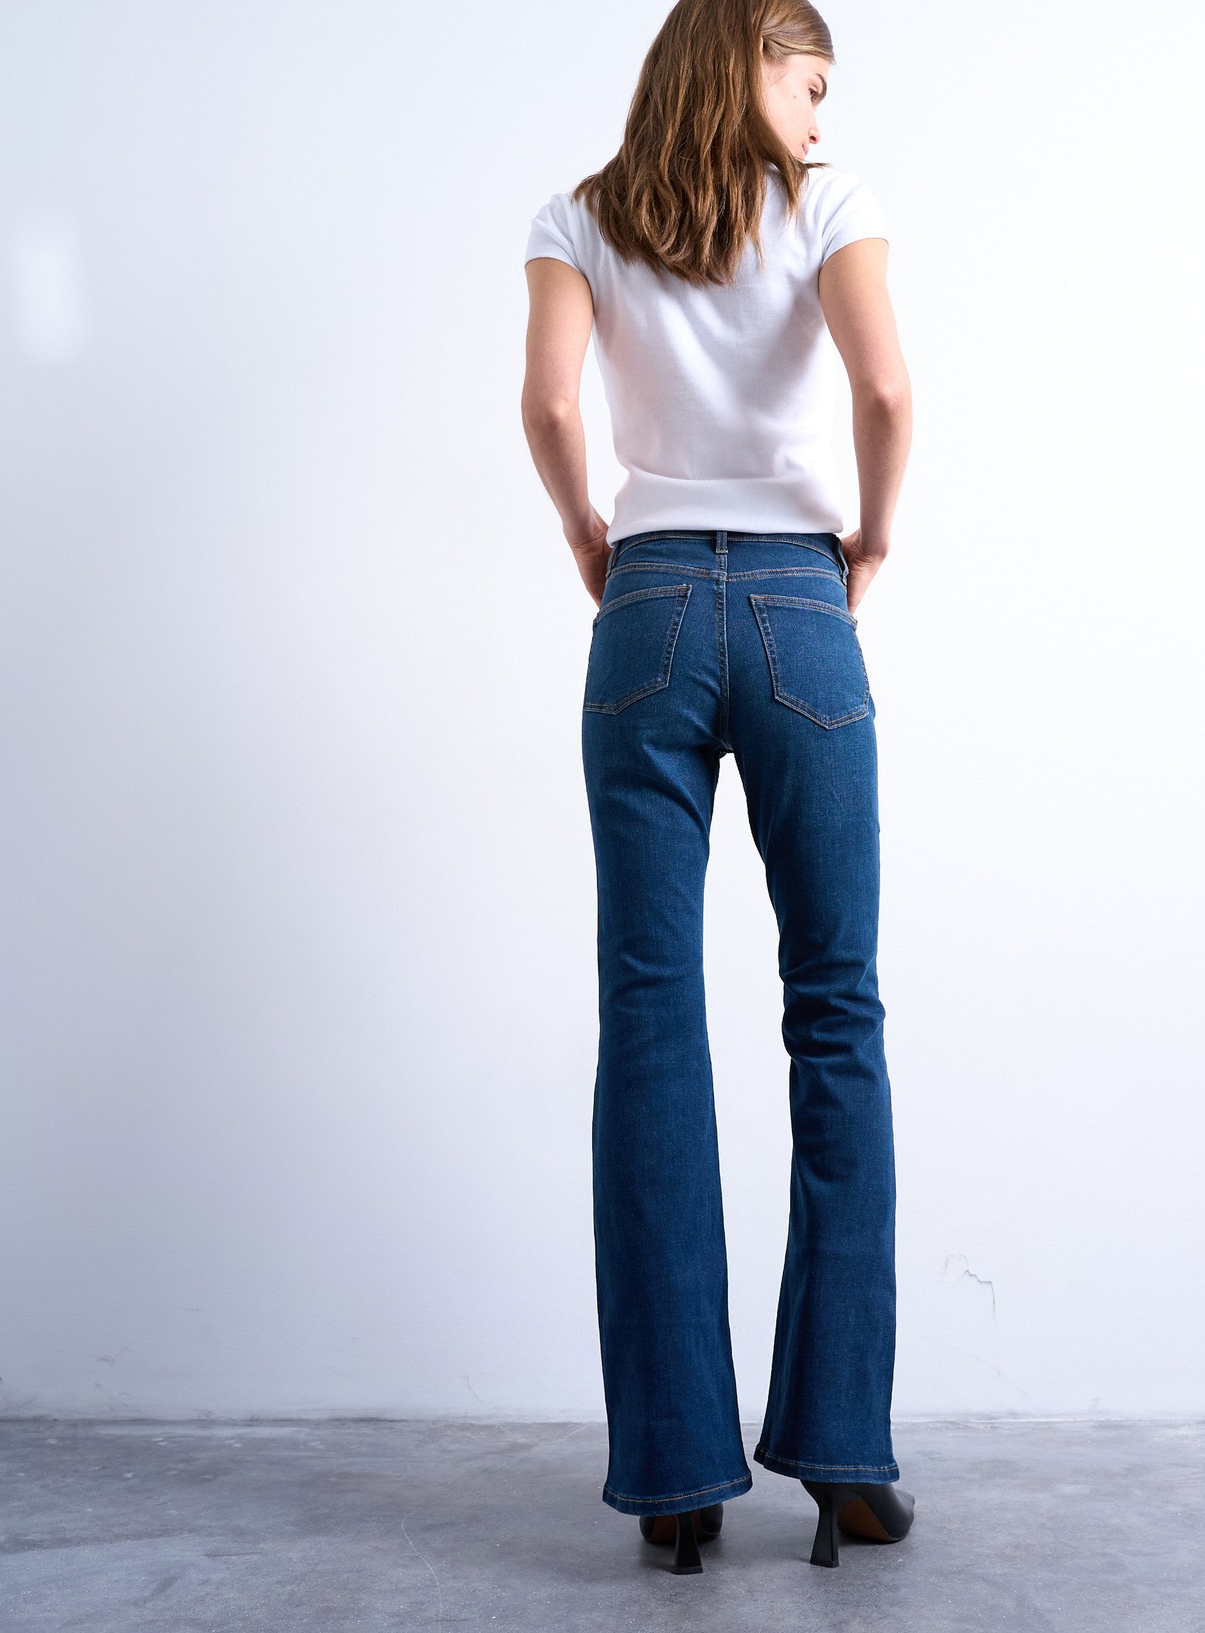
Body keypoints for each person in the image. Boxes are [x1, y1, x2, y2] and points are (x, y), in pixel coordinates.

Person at [521, 0, 915, 1577]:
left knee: (648, 1010)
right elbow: (886, 393)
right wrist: (871, 539)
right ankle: (845, 1458)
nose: (820, 118)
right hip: (803, 605)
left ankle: (678, 1480)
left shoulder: (581, 215)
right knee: (836, 1005)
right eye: (808, 83)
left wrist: (587, 531)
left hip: (651, 608)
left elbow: (554, 405)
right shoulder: (828, 206)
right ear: (748, 59)